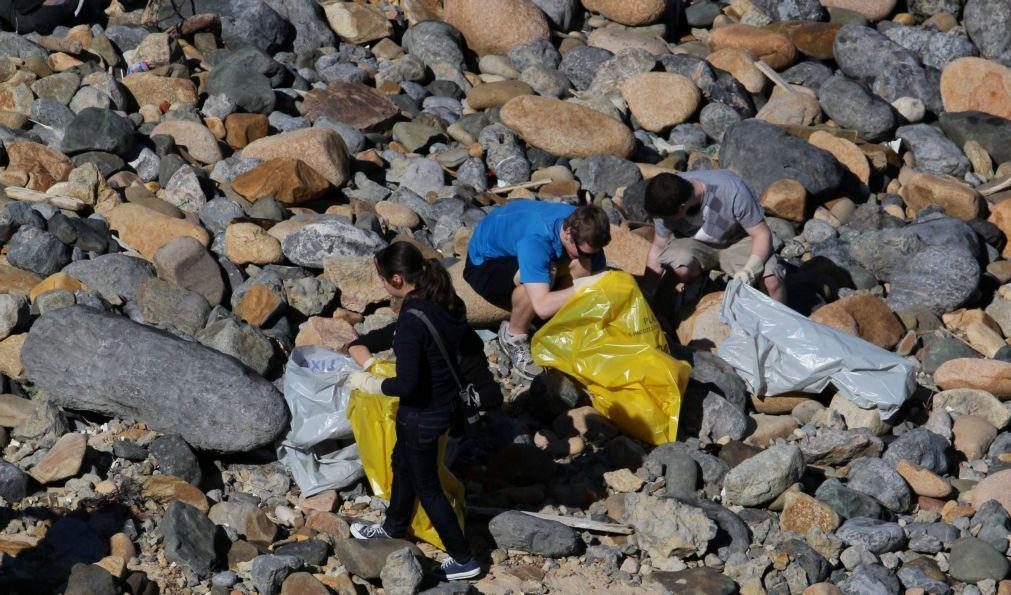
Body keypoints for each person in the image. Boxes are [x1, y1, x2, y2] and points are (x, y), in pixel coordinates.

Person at [346, 242, 481, 582]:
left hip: (421, 413)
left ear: (395, 279)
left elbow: (406, 385)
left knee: (428, 486)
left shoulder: (412, 319)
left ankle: (464, 558)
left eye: (381, 278)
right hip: (444, 405)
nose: (381, 284)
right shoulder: (447, 300)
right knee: (400, 462)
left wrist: (369, 382)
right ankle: (394, 525)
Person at [463, 200, 611, 379]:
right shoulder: (536, 240)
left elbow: (599, 272)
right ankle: (512, 335)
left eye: (595, 252)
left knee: (582, 265)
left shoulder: (585, 225)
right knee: (545, 276)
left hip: (520, 244)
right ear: (567, 233)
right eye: (585, 252)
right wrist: (585, 287)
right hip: (485, 263)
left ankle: (562, 322)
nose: (591, 256)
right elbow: (542, 307)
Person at [643, 171, 786, 303]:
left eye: (667, 217)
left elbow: (762, 234)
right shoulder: (663, 200)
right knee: (680, 269)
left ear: (682, 207)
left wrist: (749, 271)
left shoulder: (732, 190)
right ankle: (696, 282)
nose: (662, 220)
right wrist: (645, 294)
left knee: (772, 282)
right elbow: (658, 247)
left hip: (738, 241)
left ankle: (779, 324)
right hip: (694, 243)